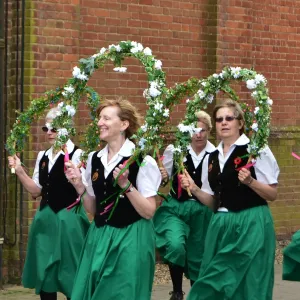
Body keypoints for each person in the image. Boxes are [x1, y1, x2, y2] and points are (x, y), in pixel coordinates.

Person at [180, 99, 279, 300]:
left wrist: (251, 182)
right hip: (221, 225)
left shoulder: (256, 150)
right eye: (219, 119)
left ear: (240, 123)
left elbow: (272, 194)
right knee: (214, 283)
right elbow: (215, 203)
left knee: (250, 282)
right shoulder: (212, 156)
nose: (223, 123)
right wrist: (195, 189)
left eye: (229, 118)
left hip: (251, 223)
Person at [64, 98, 161, 300]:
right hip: (99, 236)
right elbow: (92, 208)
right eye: (100, 118)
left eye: (106, 118)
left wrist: (127, 186)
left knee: (119, 293)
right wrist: (79, 185)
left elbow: (149, 211)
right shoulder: (94, 158)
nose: (99, 123)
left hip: (131, 237)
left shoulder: (143, 160)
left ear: (124, 124)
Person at [8, 107, 90, 300]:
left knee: (71, 270)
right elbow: (36, 190)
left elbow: (86, 190)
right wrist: (19, 171)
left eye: (55, 128)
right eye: (46, 129)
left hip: (69, 219)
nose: (50, 132)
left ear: (66, 129)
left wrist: (76, 179)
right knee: (44, 271)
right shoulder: (42, 156)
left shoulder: (79, 155)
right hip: (45, 219)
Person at [153, 111, 215, 300]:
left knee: (199, 253)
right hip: (175, 208)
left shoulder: (215, 154)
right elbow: (162, 181)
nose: (198, 134)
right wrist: (162, 176)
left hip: (202, 209)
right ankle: (177, 291)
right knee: (175, 245)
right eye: (195, 130)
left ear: (209, 131)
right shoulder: (176, 150)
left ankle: (197, 294)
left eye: (203, 130)